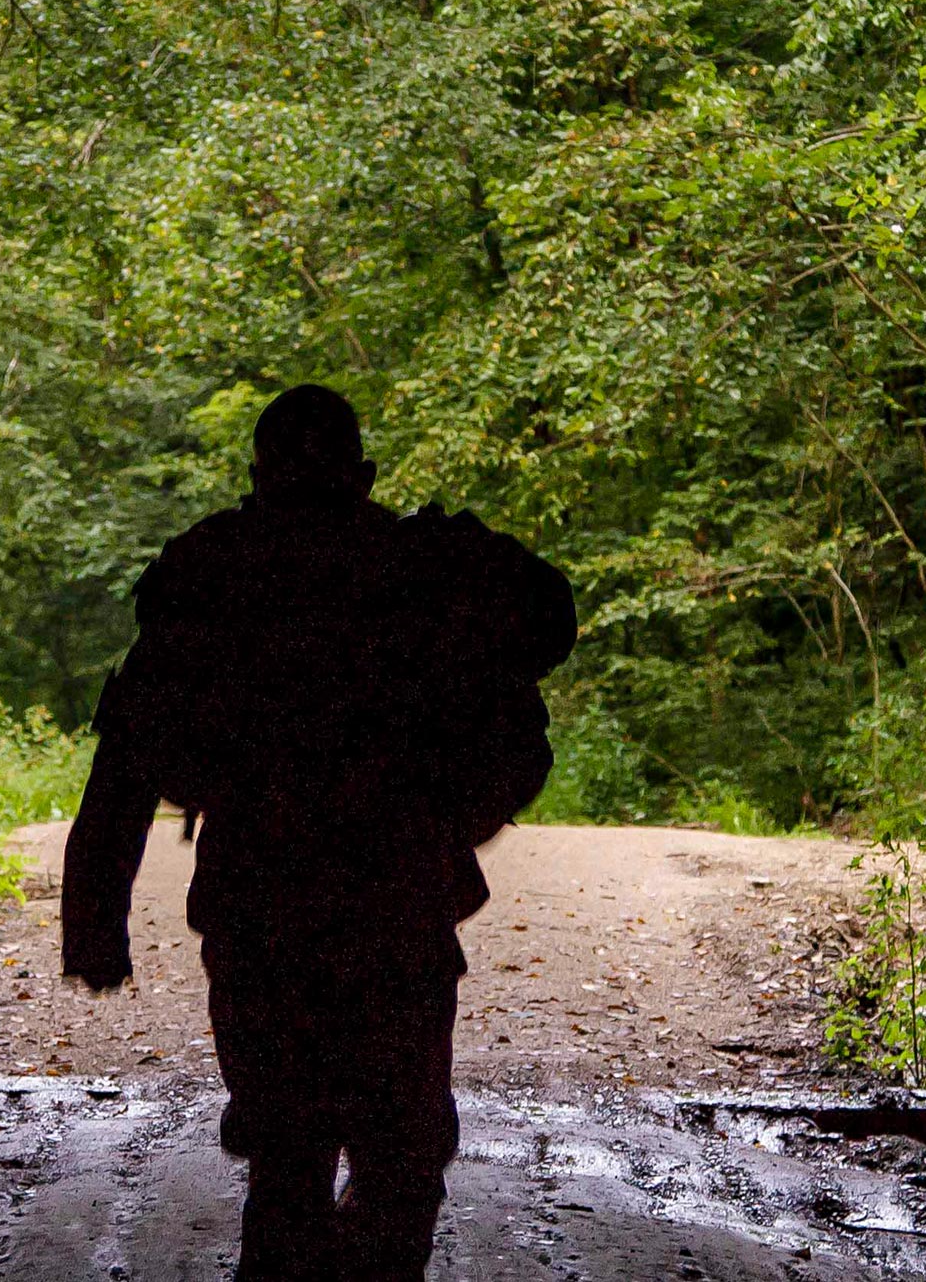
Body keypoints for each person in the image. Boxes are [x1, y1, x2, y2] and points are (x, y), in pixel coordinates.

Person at [60, 385, 575, 1280]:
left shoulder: (216, 578)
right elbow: (528, 680)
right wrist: (450, 817)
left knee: (289, 1164)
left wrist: (95, 924)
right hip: (397, 917)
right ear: (364, 475)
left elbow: (127, 760)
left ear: (255, 478)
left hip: (262, 921)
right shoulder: (422, 573)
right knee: (400, 1162)